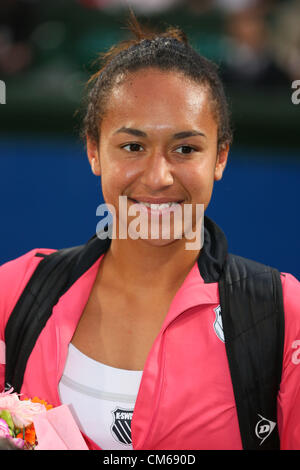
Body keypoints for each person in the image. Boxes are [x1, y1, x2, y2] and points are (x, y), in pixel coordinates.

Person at [0, 15, 299, 451]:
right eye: (133, 146)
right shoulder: (14, 291)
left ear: (220, 157)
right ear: (92, 150)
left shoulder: (284, 313)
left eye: (185, 149)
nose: (158, 176)